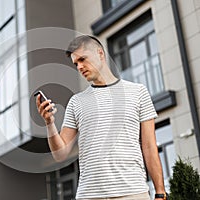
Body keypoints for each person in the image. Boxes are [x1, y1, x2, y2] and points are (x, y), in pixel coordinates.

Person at [36, 35, 167, 200]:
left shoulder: (138, 92)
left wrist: (160, 192)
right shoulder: (76, 102)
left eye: (83, 59)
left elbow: (149, 146)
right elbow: (60, 154)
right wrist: (49, 123)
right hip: (90, 195)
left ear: (100, 54)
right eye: (76, 63)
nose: (80, 67)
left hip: (132, 192)